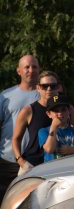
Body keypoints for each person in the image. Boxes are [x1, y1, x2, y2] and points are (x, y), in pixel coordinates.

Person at [12, 71, 74, 173]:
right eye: (44, 86)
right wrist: (20, 161)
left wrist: (73, 151)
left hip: (59, 165)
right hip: (32, 165)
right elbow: (15, 139)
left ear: (58, 87)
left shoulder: (68, 109)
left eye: (53, 86)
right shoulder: (28, 111)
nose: (49, 89)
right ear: (38, 88)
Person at [0, 55, 41, 193]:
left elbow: (63, 106)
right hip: (8, 160)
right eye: (27, 67)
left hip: (37, 161)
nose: (31, 70)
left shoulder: (48, 94)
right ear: (18, 71)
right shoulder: (6, 96)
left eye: (34, 66)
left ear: (39, 69)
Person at [37, 94, 74, 162]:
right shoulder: (43, 131)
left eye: (63, 110)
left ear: (69, 111)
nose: (60, 113)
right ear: (49, 114)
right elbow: (49, 149)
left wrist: (73, 150)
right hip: (54, 171)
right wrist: (53, 127)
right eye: (56, 111)